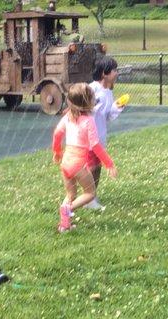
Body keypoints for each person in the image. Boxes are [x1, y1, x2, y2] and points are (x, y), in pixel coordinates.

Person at [52, 83, 118, 232]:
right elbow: (95, 145)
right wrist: (109, 164)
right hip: (77, 165)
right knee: (90, 193)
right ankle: (67, 209)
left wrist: (56, 152)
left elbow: (57, 134)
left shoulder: (68, 117)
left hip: (66, 163)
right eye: (93, 98)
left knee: (71, 194)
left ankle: (64, 225)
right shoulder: (88, 121)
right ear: (88, 102)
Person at [86, 56, 125, 209]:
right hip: (88, 137)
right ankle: (87, 198)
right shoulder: (92, 89)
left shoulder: (108, 92)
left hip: (99, 136)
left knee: (97, 166)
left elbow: (107, 115)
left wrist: (117, 107)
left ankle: (92, 196)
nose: (117, 73)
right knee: (91, 167)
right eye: (114, 70)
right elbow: (82, 108)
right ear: (104, 73)